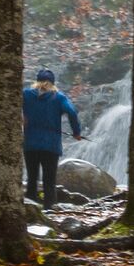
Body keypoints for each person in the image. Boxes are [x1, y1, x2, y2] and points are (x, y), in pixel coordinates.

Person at [22, 68, 83, 208]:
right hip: (51, 145)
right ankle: (49, 209)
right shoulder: (59, 97)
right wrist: (76, 132)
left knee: (32, 178)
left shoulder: (25, 94)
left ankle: (30, 209)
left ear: (37, 81)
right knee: (49, 180)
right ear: (53, 83)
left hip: (30, 144)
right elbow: (72, 112)